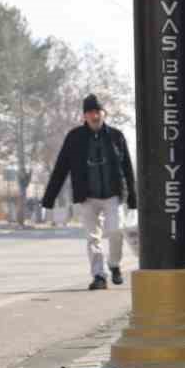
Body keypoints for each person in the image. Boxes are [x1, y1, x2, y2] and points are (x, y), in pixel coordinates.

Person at [41, 94, 137, 291]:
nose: (94, 116)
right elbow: (61, 168)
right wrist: (49, 199)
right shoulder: (74, 137)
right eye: (90, 113)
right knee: (93, 238)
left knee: (115, 231)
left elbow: (127, 167)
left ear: (104, 114)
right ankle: (98, 276)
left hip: (113, 195)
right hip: (87, 197)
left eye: (97, 112)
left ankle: (114, 264)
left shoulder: (116, 136)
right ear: (84, 116)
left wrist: (133, 199)